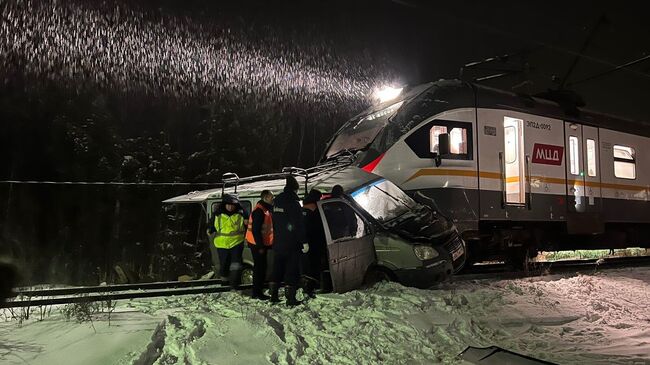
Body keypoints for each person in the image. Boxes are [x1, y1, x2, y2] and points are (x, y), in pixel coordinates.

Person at [269, 175, 307, 306]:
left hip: (278, 241)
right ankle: (290, 299)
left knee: (277, 268)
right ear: (295, 189)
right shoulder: (293, 203)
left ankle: (273, 296)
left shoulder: (277, 201)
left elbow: (274, 221)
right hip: (291, 243)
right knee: (291, 269)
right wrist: (304, 241)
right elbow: (298, 224)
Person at [208, 194, 246, 289]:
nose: (230, 207)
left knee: (236, 264)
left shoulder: (241, 213)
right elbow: (212, 226)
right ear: (224, 204)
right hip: (222, 244)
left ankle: (235, 284)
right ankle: (225, 284)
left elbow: (247, 224)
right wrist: (209, 230)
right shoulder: (217, 214)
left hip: (237, 242)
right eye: (228, 204)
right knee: (224, 264)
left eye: (232, 205)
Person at [245, 190, 274, 300]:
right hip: (257, 245)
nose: (273, 198)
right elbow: (256, 231)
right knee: (259, 268)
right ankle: (257, 292)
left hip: (260, 244)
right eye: (271, 196)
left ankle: (258, 291)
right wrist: (261, 246)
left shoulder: (264, 209)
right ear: (266, 197)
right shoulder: (259, 211)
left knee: (261, 267)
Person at [301, 188, 328, 298]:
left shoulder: (303, 207)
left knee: (307, 266)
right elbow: (319, 226)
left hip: (305, 242)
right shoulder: (314, 208)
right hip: (315, 241)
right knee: (315, 266)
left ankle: (306, 286)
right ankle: (311, 288)